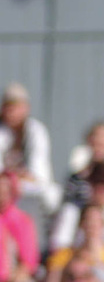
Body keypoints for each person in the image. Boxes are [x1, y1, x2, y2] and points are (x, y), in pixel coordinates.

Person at [1, 82, 58, 215]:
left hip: (29, 187)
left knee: (52, 194)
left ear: (26, 108)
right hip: (4, 186)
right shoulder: (2, 131)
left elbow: (39, 172)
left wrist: (18, 177)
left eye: (16, 107)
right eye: (9, 107)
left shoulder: (36, 131)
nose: (12, 112)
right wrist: (12, 177)